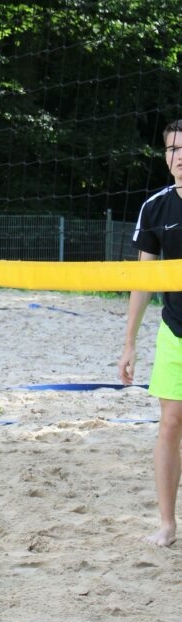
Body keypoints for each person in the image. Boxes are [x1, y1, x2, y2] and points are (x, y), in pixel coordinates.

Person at [118, 118, 182, 547]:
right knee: (170, 424)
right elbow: (142, 282)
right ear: (165, 157)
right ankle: (167, 523)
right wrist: (129, 344)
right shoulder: (156, 207)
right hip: (175, 331)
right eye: (173, 149)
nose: (179, 156)